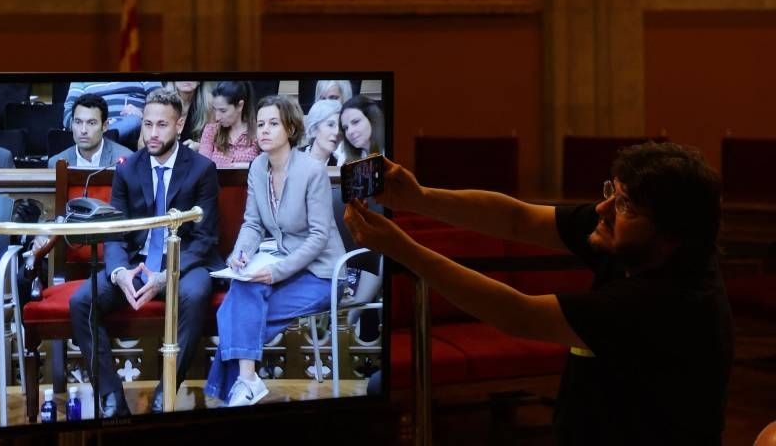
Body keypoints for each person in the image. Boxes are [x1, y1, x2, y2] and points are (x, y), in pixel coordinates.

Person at [344, 142, 733, 446]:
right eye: (611, 192)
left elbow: (517, 314)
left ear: (672, 233)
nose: (604, 208)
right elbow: (520, 218)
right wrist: (419, 198)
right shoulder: (636, 243)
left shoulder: (667, 301)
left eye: (625, 205)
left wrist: (404, 250)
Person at [68, 88, 223, 417]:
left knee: (195, 294)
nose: (152, 133)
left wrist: (168, 274)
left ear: (179, 126)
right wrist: (119, 272)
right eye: (147, 124)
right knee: (82, 301)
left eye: (162, 125)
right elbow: (115, 230)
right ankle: (111, 397)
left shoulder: (201, 169)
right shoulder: (128, 167)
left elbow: (205, 237)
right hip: (137, 263)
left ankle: (165, 392)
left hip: (184, 262)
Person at [204, 94, 345, 407]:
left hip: (324, 273)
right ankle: (248, 381)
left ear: (291, 129)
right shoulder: (257, 168)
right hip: (284, 263)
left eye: (273, 124)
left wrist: (277, 271)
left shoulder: (312, 171)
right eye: (261, 124)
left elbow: (319, 237)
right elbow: (252, 223)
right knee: (244, 291)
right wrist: (240, 253)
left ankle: (236, 391)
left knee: (235, 314)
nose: (264, 130)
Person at [61, 80, 162, 149]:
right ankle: (103, 136)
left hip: (134, 125)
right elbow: (68, 112)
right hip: (94, 125)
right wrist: (85, 124)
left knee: (133, 121)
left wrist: (143, 115)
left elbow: (163, 102)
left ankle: (102, 141)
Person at [47, 93, 133, 168]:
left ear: (105, 126)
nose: (83, 130)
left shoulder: (125, 160)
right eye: (78, 122)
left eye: (91, 123)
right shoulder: (55, 164)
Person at [199, 81, 260, 167]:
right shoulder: (211, 130)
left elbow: (268, 167)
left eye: (223, 111)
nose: (217, 117)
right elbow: (202, 166)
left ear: (240, 106)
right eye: (214, 109)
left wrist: (247, 166)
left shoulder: (259, 132)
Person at [166, 80, 212, 151]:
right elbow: (144, 143)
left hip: (194, 159)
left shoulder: (209, 105)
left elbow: (216, 145)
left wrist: (199, 146)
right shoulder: (162, 102)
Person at [340, 94, 386, 163]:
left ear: (372, 119)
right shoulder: (346, 160)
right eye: (346, 128)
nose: (349, 132)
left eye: (355, 122)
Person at [301, 98, 344, 165]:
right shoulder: (291, 158)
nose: (337, 132)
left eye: (341, 127)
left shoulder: (341, 166)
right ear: (314, 129)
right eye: (330, 125)